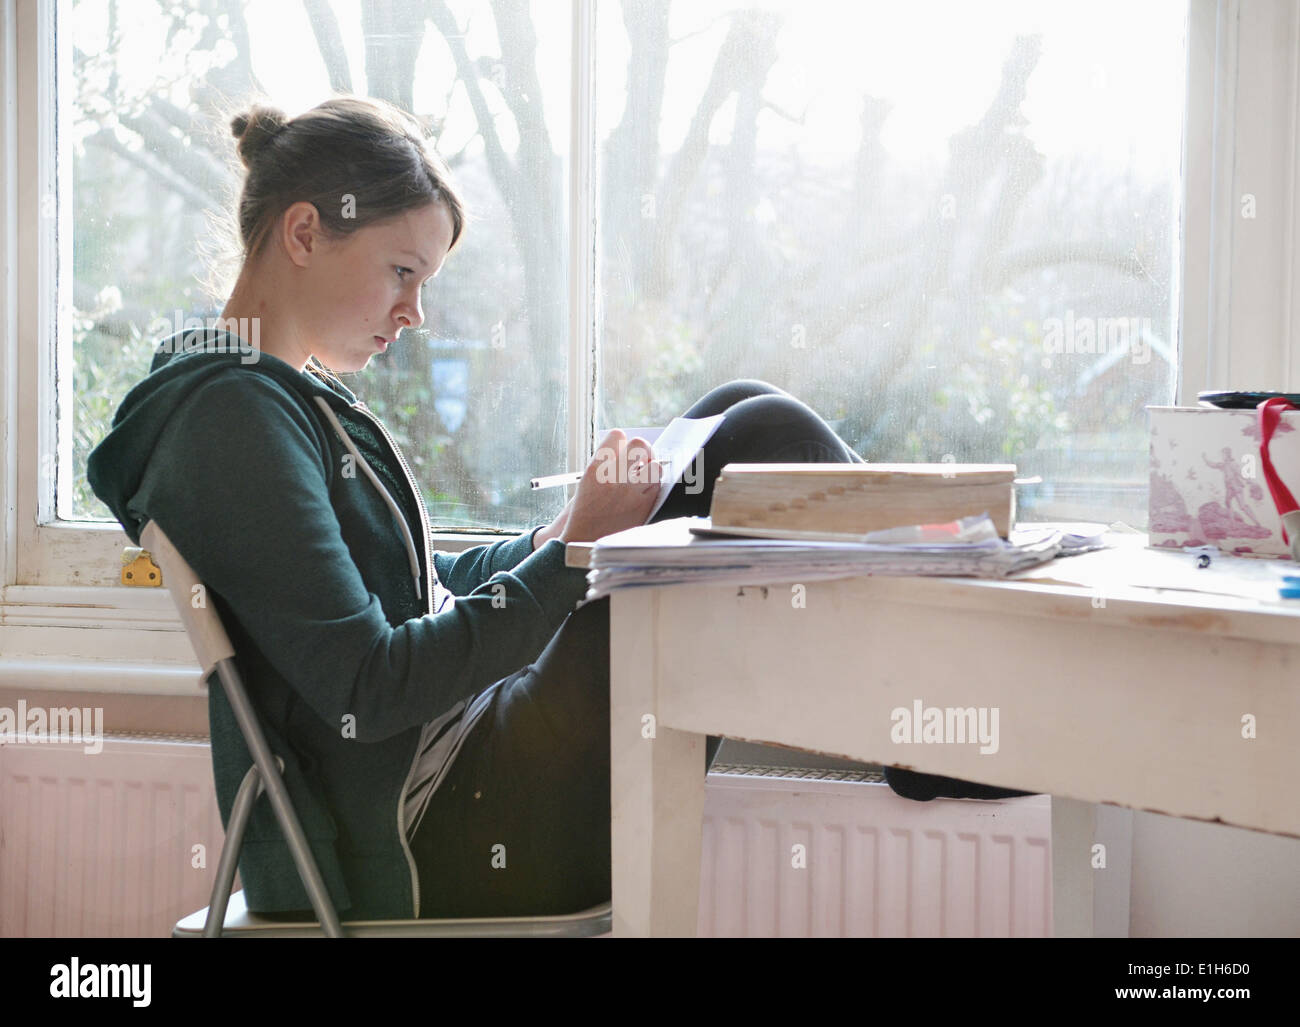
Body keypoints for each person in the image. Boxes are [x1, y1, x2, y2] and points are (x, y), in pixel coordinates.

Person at [88, 95, 1029, 922]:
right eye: (402, 271)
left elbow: (417, 586)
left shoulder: (268, 396)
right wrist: (576, 552)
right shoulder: (232, 419)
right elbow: (368, 684)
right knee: (754, 430)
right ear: (304, 234)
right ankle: (947, 715)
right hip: (452, 829)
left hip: (469, 775)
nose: (414, 312)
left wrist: (551, 538)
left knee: (725, 416)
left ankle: (930, 715)